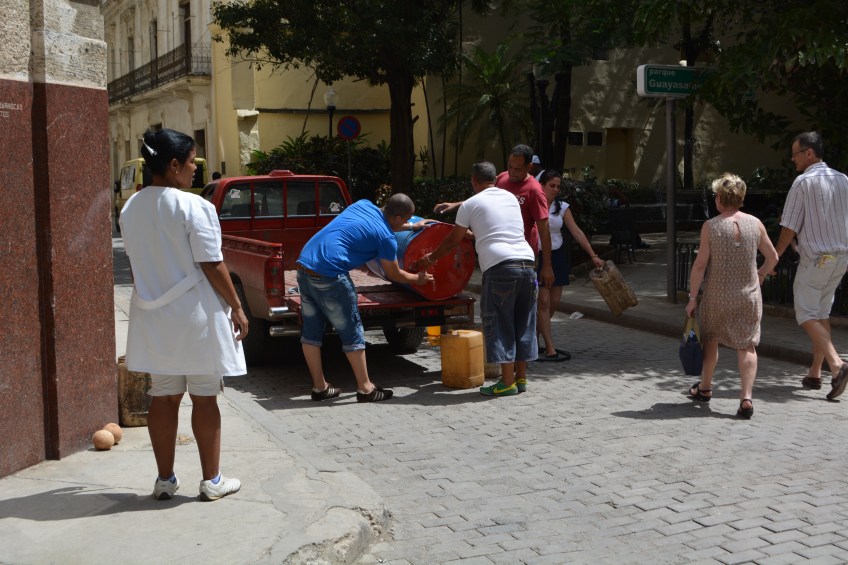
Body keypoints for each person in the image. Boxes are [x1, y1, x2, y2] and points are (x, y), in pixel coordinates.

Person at [120, 129, 248, 501]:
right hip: (196, 316)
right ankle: (212, 481)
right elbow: (212, 263)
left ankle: (164, 480)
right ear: (174, 165)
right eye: (192, 162)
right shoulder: (195, 207)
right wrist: (237, 307)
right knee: (205, 396)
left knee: (163, 396)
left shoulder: (131, 207)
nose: (195, 169)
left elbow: (138, 265)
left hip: (153, 314)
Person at [414, 162, 537, 397]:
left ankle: (506, 383)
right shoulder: (511, 199)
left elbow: (453, 240)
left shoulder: (470, 205)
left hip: (500, 268)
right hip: (527, 265)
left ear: (473, 181)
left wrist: (431, 258)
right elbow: (491, 230)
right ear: (495, 179)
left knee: (501, 322)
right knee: (523, 322)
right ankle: (521, 379)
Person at [297, 194, 433, 403]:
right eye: (406, 219)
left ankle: (320, 388)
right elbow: (394, 273)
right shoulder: (386, 239)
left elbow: (369, 227)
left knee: (311, 332)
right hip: (330, 275)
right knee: (352, 330)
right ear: (397, 218)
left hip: (305, 265)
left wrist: (411, 227)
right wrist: (418, 279)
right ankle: (366, 389)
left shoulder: (363, 205)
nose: (407, 222)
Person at [685, 173, 779, 419]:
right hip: (748, 296)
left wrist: (693, 298)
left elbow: (699, 266)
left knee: (711, 340)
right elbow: (773, 257)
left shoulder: (711, 226)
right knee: (747, 346)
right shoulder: (755, 224)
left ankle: (705, 387)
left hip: (716, 296)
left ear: (720, 198)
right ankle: (746, 398)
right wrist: (760, 275)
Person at [774, 131, 848, 399]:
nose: (792, 159)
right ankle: (815, 373)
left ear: (809, 153)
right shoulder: (843, 179)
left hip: (817, 259)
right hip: (840, 258)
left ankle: (837, 365)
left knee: (805, 314)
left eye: (795, 154)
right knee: (820, 313)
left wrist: (774, 256)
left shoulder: (803, 182)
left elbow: (789, 226)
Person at [535, 170, 605, 361]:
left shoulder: (562, 207)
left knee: (554, 302)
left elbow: (576, 231)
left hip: (557, 255)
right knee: (543, 302)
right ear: (541, 185)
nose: (556, 189)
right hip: (538, 256)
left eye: (558, 186)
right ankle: (550, 347)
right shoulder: (533, 204)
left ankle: (534, 337)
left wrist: (593, 255)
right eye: (552, 185)